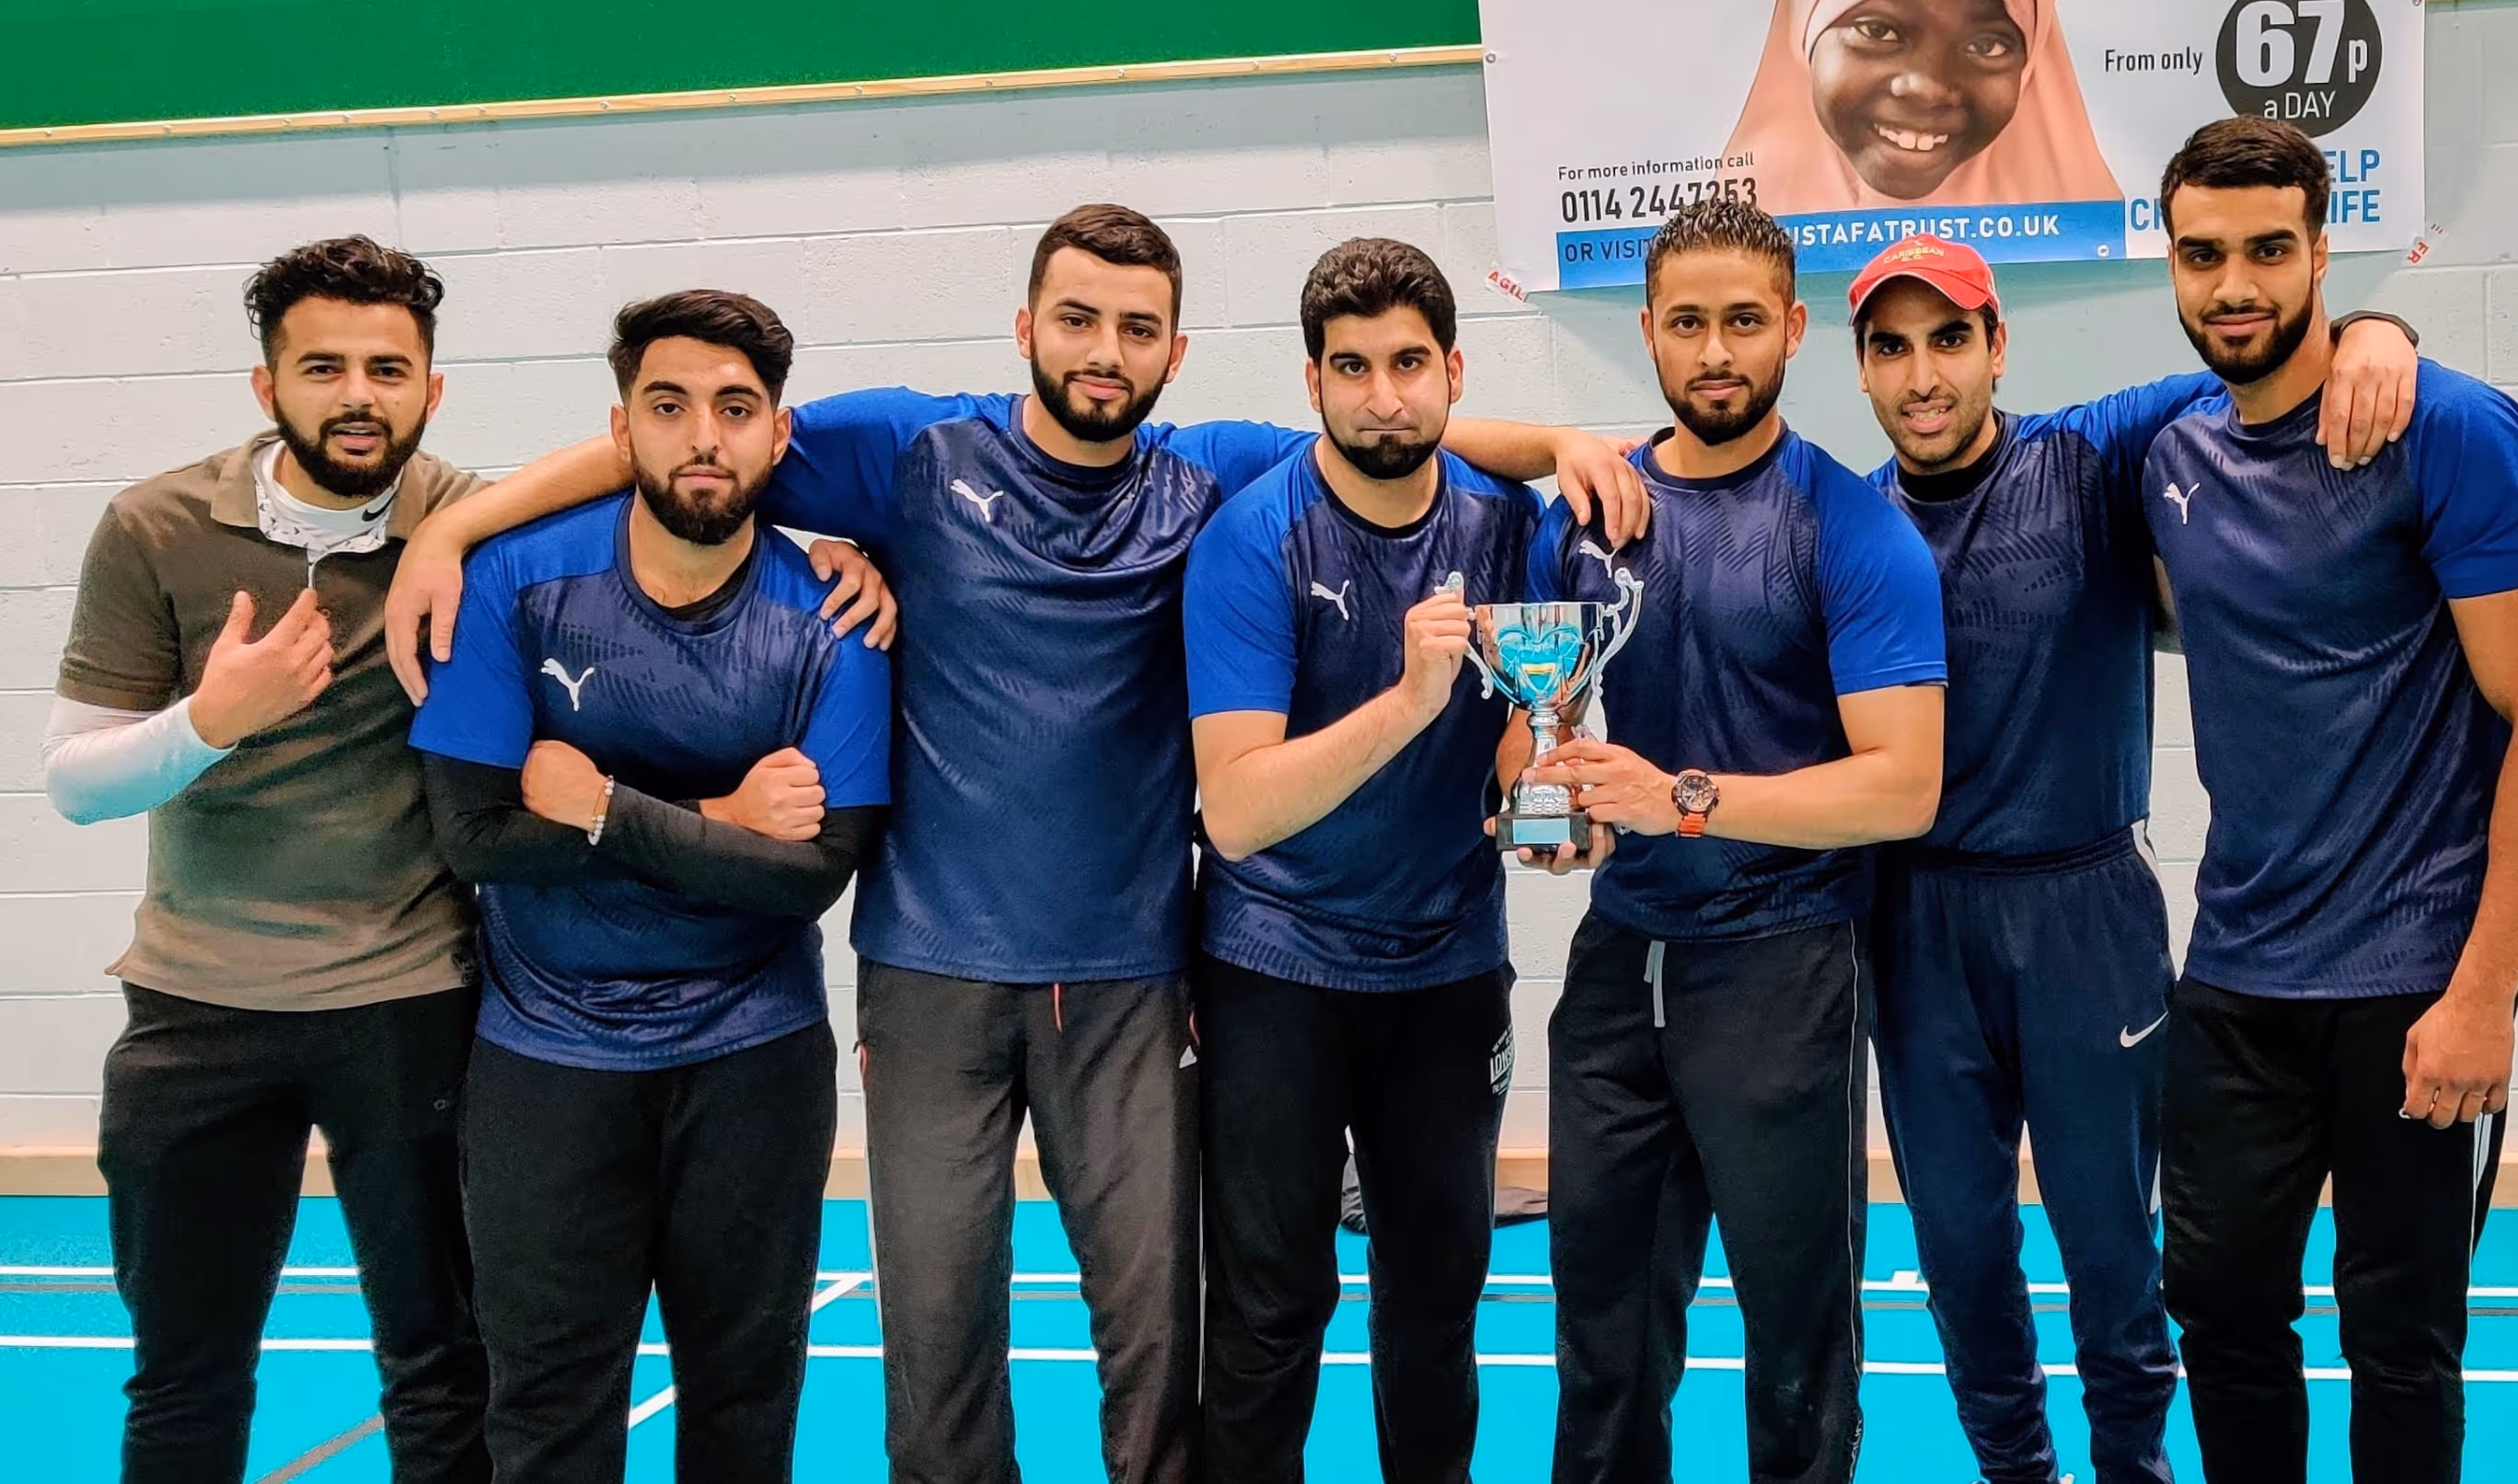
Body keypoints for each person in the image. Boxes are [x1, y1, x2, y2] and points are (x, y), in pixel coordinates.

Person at [380, 202, 1642, 1484]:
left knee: (1158, 1357)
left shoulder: (1207, 470)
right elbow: (700, 446)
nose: (1105, 350)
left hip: (1128, 981)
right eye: (1079, 319)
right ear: (1027, 325)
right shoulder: (915, 449)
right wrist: (454, 526)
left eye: (1137, 329)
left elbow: (1385, 436)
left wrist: (1552, 439)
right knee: (938, 1354)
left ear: (1174, 353)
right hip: (932, 976)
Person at [1847, 233, 2420, 1484]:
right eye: (1891, 348)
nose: (1924, 375)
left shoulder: (2091, 455)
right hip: (1916, 925)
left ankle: (2133, 1472)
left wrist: (2380, 331)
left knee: (2112, 1247)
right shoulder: (1847, 523)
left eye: (1949, 339)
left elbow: (2268, 360)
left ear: (1998, 345)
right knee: (1958, 1248)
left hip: (2083, 911)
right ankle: (2016, 1472)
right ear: (1862, 369)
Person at [2143, 117, 2518, 1484]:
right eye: (2204, 254)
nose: (2237, 284)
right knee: (2220, 1315)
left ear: (2321, 251)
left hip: (2418, 980)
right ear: (2168, 263)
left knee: (2402, 1337)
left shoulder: (2448, 428)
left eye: (2270, 250)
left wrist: (2482, 994)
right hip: (2235, 974)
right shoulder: (2169, 460)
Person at [410, 290, 893, 1483]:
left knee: (742, 1417)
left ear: (781, 438)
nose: (704, 438)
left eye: (736, 409)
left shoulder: (835, 619)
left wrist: (602, 807)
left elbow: (811, 877)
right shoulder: (513, 584)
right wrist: (723, 819)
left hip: (754, 1065)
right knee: (548, 1418)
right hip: (544, 1067)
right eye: (668, 406)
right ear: (619, 427)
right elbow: (476, 836)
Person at [42, 236, 493, 1484]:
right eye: (324, 367)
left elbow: (644, 486)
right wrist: (208, 722)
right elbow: (73, 784)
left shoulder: (470, 517)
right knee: (185, 1375)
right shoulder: (154, 527)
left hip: (411, 1011)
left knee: (448, 1366)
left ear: (433, 390)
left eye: (390, 369)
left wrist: (841, 553)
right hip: (195, 1015)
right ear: (266, 387)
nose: (359, 395)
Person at [1522, 197, 1948, 1484]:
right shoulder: (1584, 516)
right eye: (1690, 324)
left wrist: (1685, 797)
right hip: (1618, 980)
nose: (1717, 352)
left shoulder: (1850, 527)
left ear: (1795, 332)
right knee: (1602, 1342)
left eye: (1745, 323)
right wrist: (1564, 820)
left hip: (1784, 972)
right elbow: (1546, 733)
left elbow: (1903, 788)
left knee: (1799, 1348)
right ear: (1647, 332)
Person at [1185, 238, 1549, 1482]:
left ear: (1454, 371)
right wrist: (1407, 701)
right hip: (1274, 971)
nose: (1383, 396)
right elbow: (1232, 813)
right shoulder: (1255, 538)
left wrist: (1540, 793)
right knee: (1270, 1307)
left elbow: (1530, 733)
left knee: (1439, 1303)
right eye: (1353, 368)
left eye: (1408, 363)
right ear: (1313, 382)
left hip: (1447, 971)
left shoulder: (1514, 525)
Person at [1723, 0, 2119, 212]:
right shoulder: (1727, 253)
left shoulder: (2094, 239)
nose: (1927, 87)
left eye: (1986, 45)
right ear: (1805, 36)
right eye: (1877, 30)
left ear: (2029, 64)